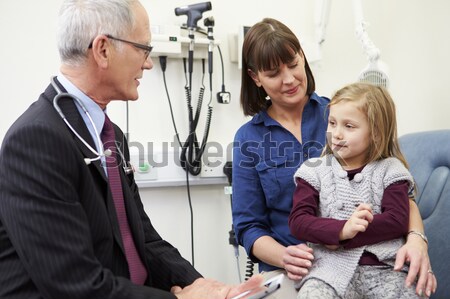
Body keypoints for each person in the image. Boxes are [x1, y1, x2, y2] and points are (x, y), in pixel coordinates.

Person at [0, 0, 263, 298]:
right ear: (102, 50)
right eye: (143, 48)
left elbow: (143, 240)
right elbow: (72, 284)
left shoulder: (110, 136)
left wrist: (203, 286)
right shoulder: (36, 140)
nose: (148, 62)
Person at [232, 17, 436, 298]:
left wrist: (417, 240)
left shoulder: (342, 114)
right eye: (274, 73)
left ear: (303, 56)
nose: (289, 79)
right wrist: (285, 256)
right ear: (256, 78)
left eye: (293, 64)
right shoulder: (248, 139)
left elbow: (397, 187)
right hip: (293, 268)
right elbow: (248, 226)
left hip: (369, 259)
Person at [288, 82, 421, 298]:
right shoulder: (314, 171)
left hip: (385, 269)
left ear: (376, 133)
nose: (337, 134)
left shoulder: (391, 170)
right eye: (332, 123)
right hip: (328, 271)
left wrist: (351, 234)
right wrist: (341, 230)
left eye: (349, 126)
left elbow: (397, 219)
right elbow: (298, 221)